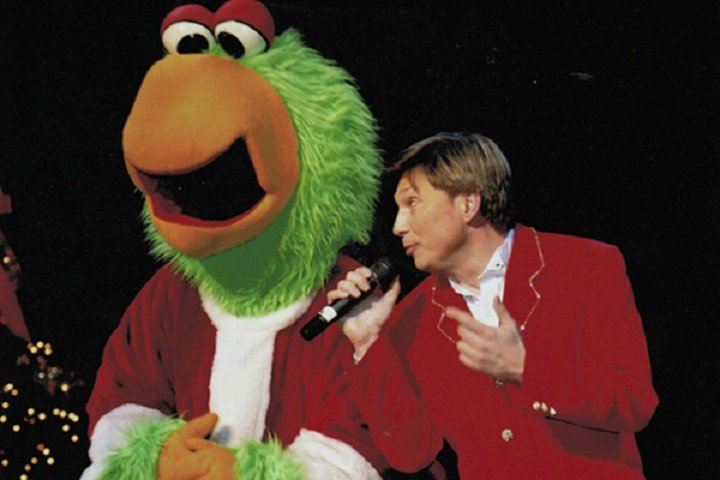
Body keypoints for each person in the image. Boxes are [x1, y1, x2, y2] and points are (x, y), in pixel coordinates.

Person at [331, 132, 659, 478]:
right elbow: (412, 454)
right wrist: (367, 343)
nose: (398, 226)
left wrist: (525, 368)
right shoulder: (411, 316)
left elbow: (634, 402)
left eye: (412, 203)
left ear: (468, 204)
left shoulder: (587, 266)